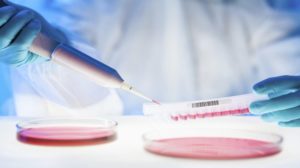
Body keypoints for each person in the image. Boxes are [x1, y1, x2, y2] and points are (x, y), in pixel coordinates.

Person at [0, 0, 300, 126]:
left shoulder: (262, 8)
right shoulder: (88, 5)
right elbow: (75, 110)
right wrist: (47, 57)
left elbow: (290, 59)